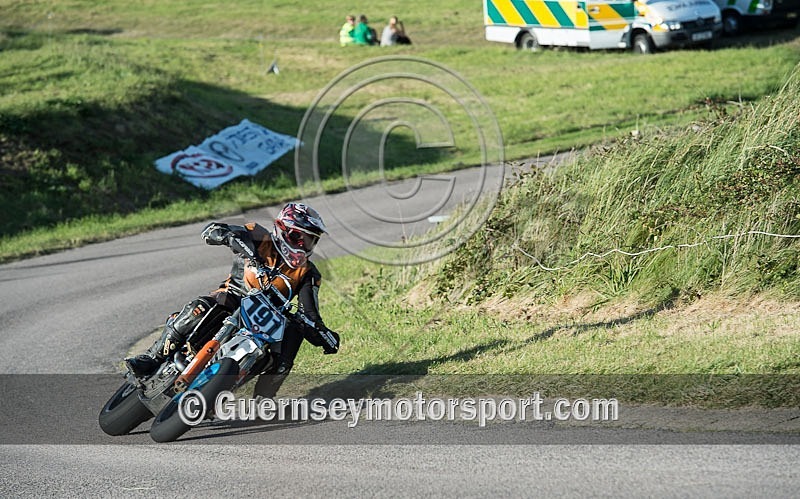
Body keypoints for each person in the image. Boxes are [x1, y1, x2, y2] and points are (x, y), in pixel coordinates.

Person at [125, 202, 340, 399]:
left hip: (266, 323)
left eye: (310, 240)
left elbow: (310, 313)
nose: (303, 245)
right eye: (299, 237)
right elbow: (212, 230)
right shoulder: (259, 235)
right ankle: (151, 358)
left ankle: (263, 399)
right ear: (282, 229)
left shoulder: (308, 273)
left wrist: (324, 334)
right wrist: (228, 236)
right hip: (233, 297)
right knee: (199, 307)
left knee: (293, 336)